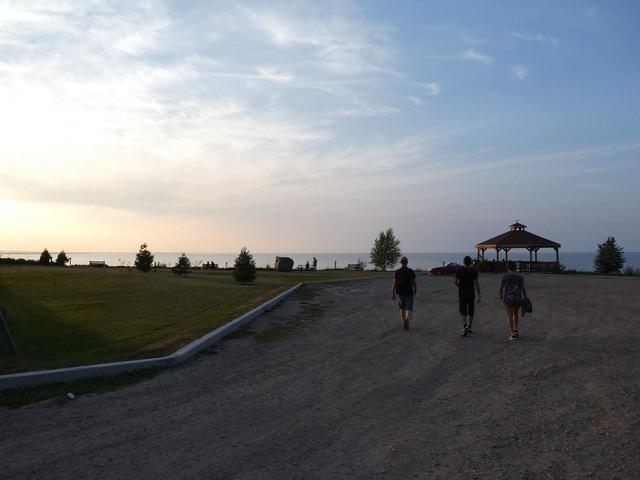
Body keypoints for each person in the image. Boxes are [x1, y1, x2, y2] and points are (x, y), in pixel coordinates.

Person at [499, 261, 527, 341]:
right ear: (515, 267)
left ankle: (512, 334)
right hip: (518, 298)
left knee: (509, 315)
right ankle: (515, 330)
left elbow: (501, 288)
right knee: (516, 314)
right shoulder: (520, 277)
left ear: (507, 267)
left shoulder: (505, 277)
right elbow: (523, 289)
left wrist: (501, 295)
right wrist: (525, 297)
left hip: (508, 298)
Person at [454, 256, 481, 337]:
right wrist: (479, 294)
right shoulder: (474, 271)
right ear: (471, 262)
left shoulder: (459, 270)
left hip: (462, 293)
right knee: (471, 310)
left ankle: (465, 326)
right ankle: (469, 327)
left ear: (463, 262)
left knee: (463, 310)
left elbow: (455, 282)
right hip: (471, 293)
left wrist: (460, 286)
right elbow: (476, 284)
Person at [392, 256, 417, 331]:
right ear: (407, 262)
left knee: (402, 308)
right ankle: (406, 320)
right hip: (409, 292)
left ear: (401, 263)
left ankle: (403, 322)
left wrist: (392, 293)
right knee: (409, 308)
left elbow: (394, 283)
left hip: (400, 292)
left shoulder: (397, 271)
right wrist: (415, 289)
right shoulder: (411, 271)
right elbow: (413, 282)